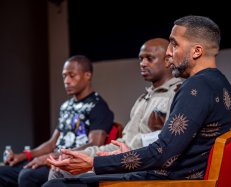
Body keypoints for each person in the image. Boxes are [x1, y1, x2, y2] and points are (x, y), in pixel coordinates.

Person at [42, 15, 231, 187]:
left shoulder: (195, 88)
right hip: (175, 175)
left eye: (174, 44)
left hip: (173, 182)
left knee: (56, 184)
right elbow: (172, 149)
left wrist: (93, 163)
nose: (169, 52)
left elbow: (162, 153)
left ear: (197, 51)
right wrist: (128, 155)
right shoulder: (220, 83)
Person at [47, 38, 183, 180]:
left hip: (141, 165)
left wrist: (106, 160)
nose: (143, 64)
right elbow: (124, 143)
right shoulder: (143, 98)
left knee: (56, 177)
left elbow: (169, 144)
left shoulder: (177, 94)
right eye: (141, 59)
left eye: (149, 58)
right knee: (61, 167)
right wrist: (81, 154)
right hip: (122, 158)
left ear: (167, 60)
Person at [0, 55, 114, 187]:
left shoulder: (98, 107)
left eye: (72, 75)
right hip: (53, 158)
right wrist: (25, 155)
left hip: (68, 164)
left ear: (87, 75)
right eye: (64, 76)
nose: (66, 81)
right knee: (3, 172)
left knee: (27, 176)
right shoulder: (66, 106)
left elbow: (94, 144)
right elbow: (51, 143)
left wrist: (52, 157)